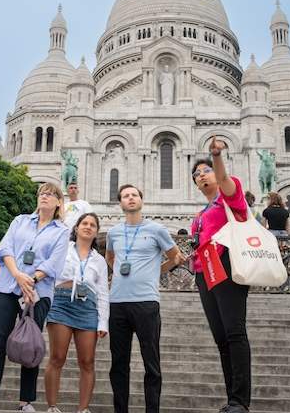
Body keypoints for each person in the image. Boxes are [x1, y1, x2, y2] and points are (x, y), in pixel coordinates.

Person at [0, 182, 70, 412]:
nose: (45, 197)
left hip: (37, 293)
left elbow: (54, 263)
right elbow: (5, 249)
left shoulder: (61, 231)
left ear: (59, 202)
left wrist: (31, 281)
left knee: (31, 344)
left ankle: (26, 401)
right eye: (42, 193)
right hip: (7, 286)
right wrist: (18, 275)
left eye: (51, 194)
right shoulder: (20, 220)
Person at [106, 184, 184, 413]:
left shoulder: (158, 230)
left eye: (134, 195)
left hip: (146, 302)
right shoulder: (113, 232)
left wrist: (154, 271)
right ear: (120, 203)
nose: (130, 199)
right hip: (117, 302)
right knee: (118, 364)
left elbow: (175, 257)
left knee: (151, 363)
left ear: (141, 200)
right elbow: (110, 258)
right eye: (125, 196)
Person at [190, 137, 252, 413]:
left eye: (205, 171)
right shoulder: (200, 214)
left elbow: (225, 178)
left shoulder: (230, 197)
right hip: (205, 273)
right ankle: (231, 399)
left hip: (227, 266)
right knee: (221, 338)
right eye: (196, 174)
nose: (200, 175)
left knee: (235, 332)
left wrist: (215, 156)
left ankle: (241, 400)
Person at [44, 212, 109, 413]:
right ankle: (52, 406)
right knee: (57, 356)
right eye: (84, 223)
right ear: (76, 228)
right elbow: (49, 273)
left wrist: (103, 322)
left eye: (92, 225)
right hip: (62, 303)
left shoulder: (99, 260)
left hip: (87, 308)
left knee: (87, 361)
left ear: (96, 232)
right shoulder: (62, 249)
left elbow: (103, 293)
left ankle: (83, 408)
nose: (88, 227)